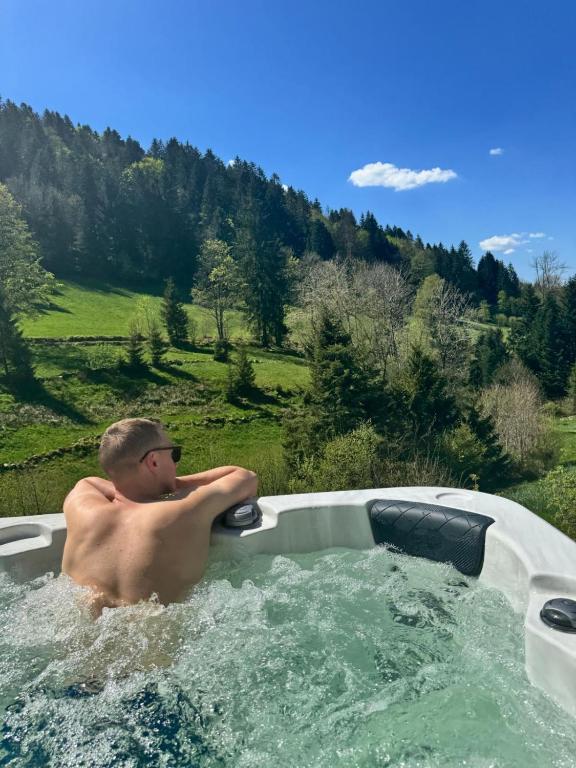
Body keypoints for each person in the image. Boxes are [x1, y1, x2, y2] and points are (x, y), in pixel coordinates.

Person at [62, 417, 258, 616]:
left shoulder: (81, 507)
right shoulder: (183, 510)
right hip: (153, 630)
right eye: (174, 454)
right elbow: (245, 476)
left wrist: (129, 481)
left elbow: (89, 482)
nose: (175, 463)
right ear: (153, 461)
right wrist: (175, 483)